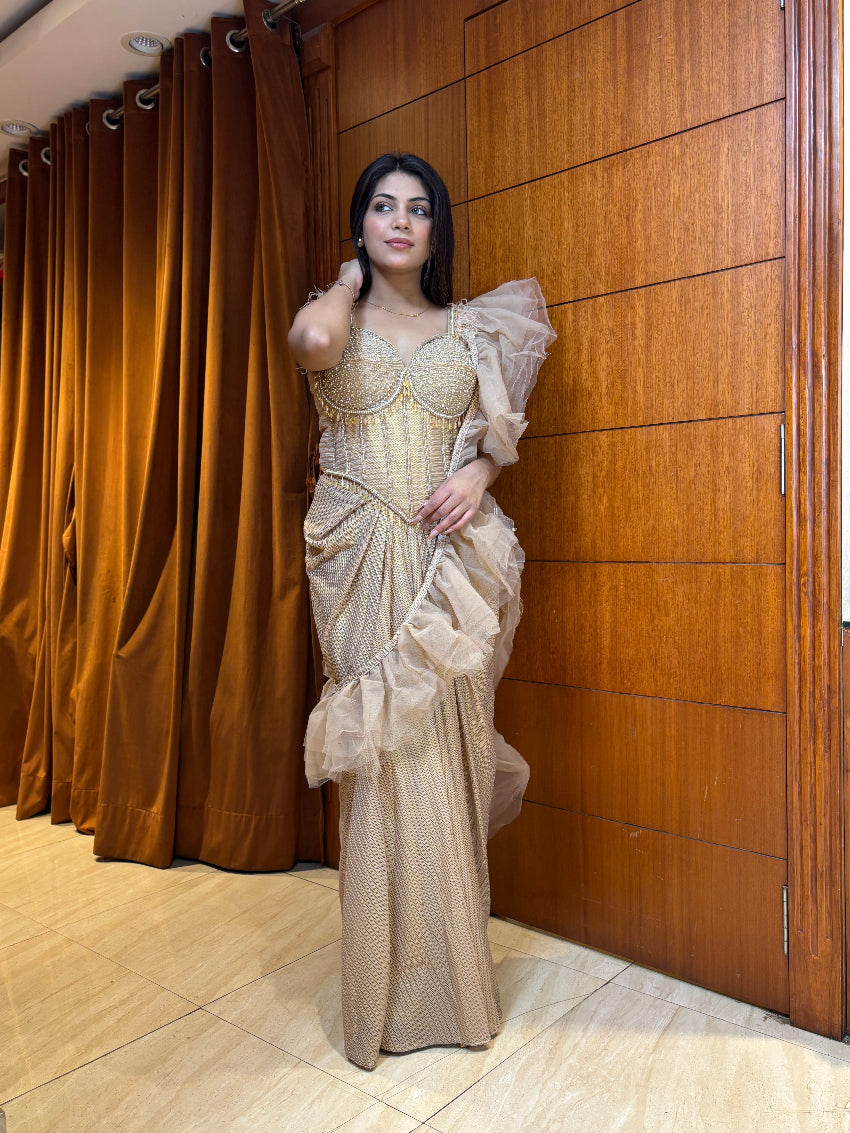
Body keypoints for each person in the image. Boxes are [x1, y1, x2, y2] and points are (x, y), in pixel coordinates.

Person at [288, 153, 555, 1071]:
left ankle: (452, 993)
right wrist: (347, 279)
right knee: (383, 761)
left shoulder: (474, 327)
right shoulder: (337, 314)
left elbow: (496, 441)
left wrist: (478, 475)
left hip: (449, 567)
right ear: (360, 221)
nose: (400, 221)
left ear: (438, 228)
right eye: (381, 207)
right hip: (359, 557)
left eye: (417, 210)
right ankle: (382, 1000)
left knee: (448, 751)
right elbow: (310, 346)